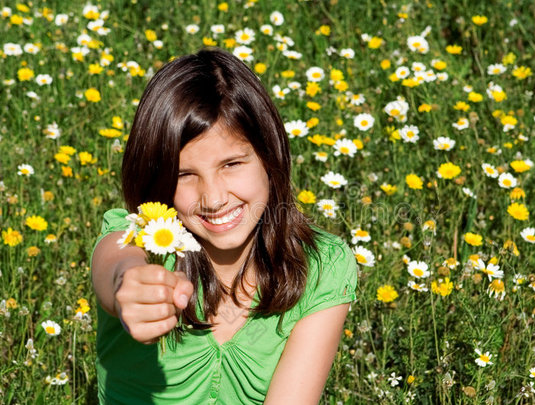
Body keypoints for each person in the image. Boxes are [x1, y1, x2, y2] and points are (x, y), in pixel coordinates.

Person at [91, 48, 358, 404]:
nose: (213, 198)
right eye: (185, 174)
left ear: (269, 155)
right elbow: (116, 267)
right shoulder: (139, 239)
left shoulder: (322, 266)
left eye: (232, 164)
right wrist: (127, 285)